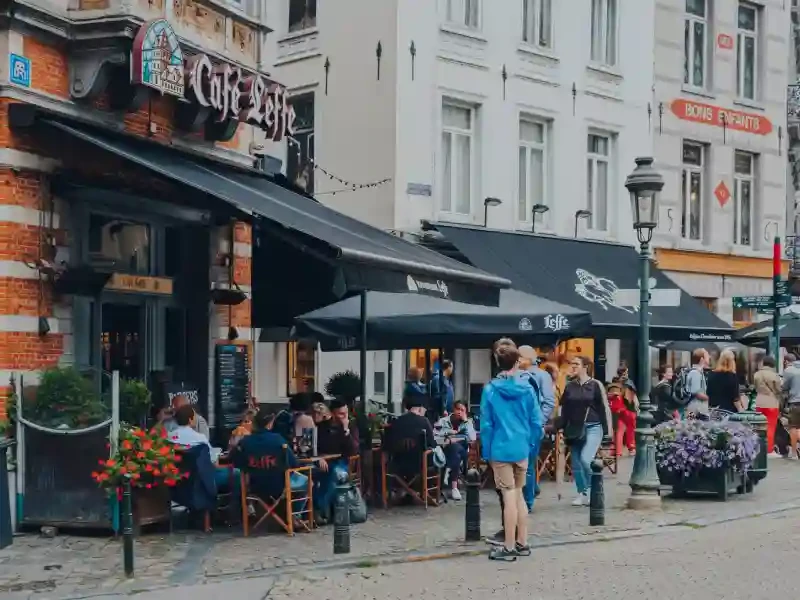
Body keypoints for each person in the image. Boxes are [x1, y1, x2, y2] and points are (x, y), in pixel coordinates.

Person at [481, 339, 542, 562]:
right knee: (519, 495)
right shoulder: (527, 389)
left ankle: (508, 547)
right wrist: (531, 444)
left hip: (500, 448)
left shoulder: (490, 390)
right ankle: (522, 542)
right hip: (521, 447)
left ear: (497, 363)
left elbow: (486, 425)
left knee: (508, 497)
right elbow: (536, 422)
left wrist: (486, 453)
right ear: (517, 362)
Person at [229, 406, 308, 514]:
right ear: (270, 424)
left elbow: (235, 461)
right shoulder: (278, 440)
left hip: (254, 488)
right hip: (279, 488)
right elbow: (294, 464)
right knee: (308, 481)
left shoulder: (245, 442)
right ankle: (293, 515)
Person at [559, 356, 611, 507]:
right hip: (574, 428)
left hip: (593, 426)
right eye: (572, 363)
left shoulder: (595, 385)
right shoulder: (569, 386)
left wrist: (608, 432)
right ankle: (583, 492)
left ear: (585, 366)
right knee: (576, 464)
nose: (573, 366)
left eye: (576, 364)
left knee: (585, 459)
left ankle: (594, 489)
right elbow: (563, 409)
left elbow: (604, 408)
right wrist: (560, 428)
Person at [169, 404, 239, 497]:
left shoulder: (168, 437)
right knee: (237, 473)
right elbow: (214, 462)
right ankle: (234, 505)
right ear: (190, 420)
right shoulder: (199, 438)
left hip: (177, 482)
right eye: (195, 416)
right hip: (202, 481)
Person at [517, 345, 555, 512]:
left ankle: (527, 501)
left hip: (531, 426)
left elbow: (549, 402)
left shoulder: (540, 375)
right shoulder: (515, 375)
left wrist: (538, 422)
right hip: (519, 425)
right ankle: (531, 490)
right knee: (524, 463)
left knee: (528, 463)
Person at [313, 399, 358, 522]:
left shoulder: (351, 426)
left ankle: (319, 510)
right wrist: (319, 457)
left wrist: (346, 431)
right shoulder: (322, 427)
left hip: (342, 463)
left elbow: (353, 450)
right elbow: (315, 447)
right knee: (312, 477)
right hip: (323, 461)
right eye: (341, 414)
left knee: (333, 474)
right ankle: (315, 510)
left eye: (346, 413)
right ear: (332, 413)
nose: (344, 417)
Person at [384, 394, 437, 482]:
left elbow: (388, 444)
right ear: (420, 408)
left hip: (397, 463)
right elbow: (432, 443)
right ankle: (430, 486)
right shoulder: (424, 421)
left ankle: (404, 486)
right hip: (420, 464)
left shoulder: (396, 421)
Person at [434, 400, 476, 501]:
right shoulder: (443, 421)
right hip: (446, 450)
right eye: (458, 409)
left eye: (462, 410)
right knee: (455, 452)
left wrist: (465, 421)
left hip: (463, 451)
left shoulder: (468, 422)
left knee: (456, 448)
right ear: (453, 409)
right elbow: (435, 435)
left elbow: (473, 438)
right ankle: (454, 488)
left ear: (465, 412)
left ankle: (448, 470)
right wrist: (449, 433)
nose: (459, 412)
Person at [754, 356, 782, 455]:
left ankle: (759, 448)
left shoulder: (757, 374)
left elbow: (756, 387)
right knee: (770, 426)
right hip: (772, 403)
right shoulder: (774, 375)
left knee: (759, 427)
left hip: (759, 402)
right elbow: (778, 390)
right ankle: (769, 450)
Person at [707, 349, 741, 414]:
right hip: (729, 412)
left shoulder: (711, 375)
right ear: (732, 362)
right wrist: (741, 411)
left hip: (714, 410)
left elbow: (708, 393)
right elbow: (735, 399)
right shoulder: (732, 377)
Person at [608, 381, 637, 456]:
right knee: (630, 432)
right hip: (630, 413)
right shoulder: (630, 392)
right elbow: (635, 404)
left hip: (621, 413)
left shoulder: (616, 393)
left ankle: (618, 452)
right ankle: (631, 448)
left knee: (619, 432)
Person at [781, 353, 800, 459]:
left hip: (795, 402)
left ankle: (794, 453)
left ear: (786, 361)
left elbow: (784, 387)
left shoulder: (789, 370)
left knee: (793, 427)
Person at [686, 348, 710, 420]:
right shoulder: (695, 373)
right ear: (702, 359)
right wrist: (710, 398)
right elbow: (697, 393)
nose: (709, 357)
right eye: (707, 356)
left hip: (696, 409)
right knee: (692, 425)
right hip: (696, 409)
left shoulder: (697, 372)